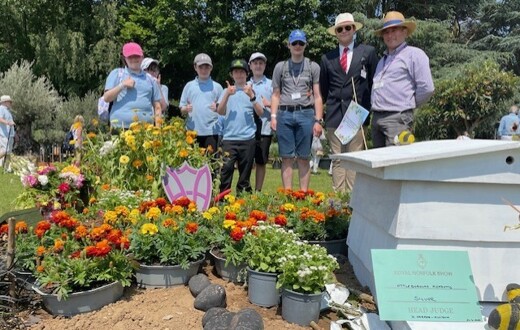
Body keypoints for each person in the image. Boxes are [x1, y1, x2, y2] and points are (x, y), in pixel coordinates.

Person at [320, 12, 378, 192]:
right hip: (335, 114)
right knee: (337, 158)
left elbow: (374, 82)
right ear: (336, 32)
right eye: (340, 29)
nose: (344, 31)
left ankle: (352, 200)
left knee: (354, 157)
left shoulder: (367, 52)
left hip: (356, 114)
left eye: (348, 27)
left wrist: (366, 108)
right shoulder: (326, 58)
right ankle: (338, 199)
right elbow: (323, 88)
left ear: (354, 29)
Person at [371, 11, 434, 148]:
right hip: (377, 119)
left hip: (398, 119)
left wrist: (407, 105)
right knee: (379, 166)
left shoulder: (414, 55)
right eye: (386, 32)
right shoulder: (382, 60)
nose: (390, 35)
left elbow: (427, 88)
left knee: (395, 165)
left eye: (394, 30)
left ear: (405, 32)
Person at [270, 29, 324, 192]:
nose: (298, 46)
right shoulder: (281, 67)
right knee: (286, 157)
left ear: (305, 45)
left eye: (301, 43)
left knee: (303, 157)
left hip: (306, 113)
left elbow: (317, 96)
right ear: (289, 45)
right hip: (284, 114)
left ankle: (303, 194)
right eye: (295, 43)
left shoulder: (313, 66)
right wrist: (273, 116)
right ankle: (288, 195)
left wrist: (318, 120)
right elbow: (275, 95)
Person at [216, 59, 264, 194]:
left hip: (248, 138)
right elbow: (220, 111)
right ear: (232, 75)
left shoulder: (251, 91)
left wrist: (252, 97)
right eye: (236, 72)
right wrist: (226, 94)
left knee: (245, 173)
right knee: (226, 171)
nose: (239, 75)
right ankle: (223, 199)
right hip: (229, 139)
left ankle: (243, 199)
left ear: (247, 74)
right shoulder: (227, 91)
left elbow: (260, 113)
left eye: (241, 72)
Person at [103, 42, 162, 129]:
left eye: (137, 56)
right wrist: (122, 85)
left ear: (142, 57)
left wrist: (158, 130)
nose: (134, 59)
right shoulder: (117, 74)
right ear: (124, 58)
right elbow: (107, 98)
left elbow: (157, 107)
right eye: (130, 56)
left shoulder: (150, 79)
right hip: (120, 127)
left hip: (145, 128)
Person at [179, 53, 224, 153]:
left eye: (207, 67)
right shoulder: (189, 86)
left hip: (212, 132)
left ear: (211, 68)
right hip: (192, 132)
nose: (204, 70)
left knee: (210, 165)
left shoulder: (217, 87)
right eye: (201, 67)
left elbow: (223, 110)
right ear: (195, 67)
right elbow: (181, 108)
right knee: (193, 164)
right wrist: (186, 109)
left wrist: (217, 108)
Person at [248, 52, 273, 191]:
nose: (258, 66)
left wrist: (269, 104)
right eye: (255, 63)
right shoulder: (244, 84)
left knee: (261, 162)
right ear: (250, 66)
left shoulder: (271, 84)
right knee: (245, 162)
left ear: (264, 65)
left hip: (265, 129)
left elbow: (280, 104)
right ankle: (245, 189)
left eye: (261, 63)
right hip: (246, 131)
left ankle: (258, 191)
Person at [0, 95, 15, 167]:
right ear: (5, 102)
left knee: (8, 152)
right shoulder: (1, 108)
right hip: (4, 134)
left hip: (10, 134)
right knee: (5, 150)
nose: (11, 104)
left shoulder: (8, 111)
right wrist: (8, 123)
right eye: (10, 102)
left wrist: (15, 134)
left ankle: (6, 168)